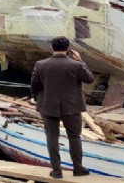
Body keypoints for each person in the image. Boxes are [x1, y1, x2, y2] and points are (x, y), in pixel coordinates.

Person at [30, 36, 94, 179]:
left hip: (48, 106)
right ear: (68, 48)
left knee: (52, 138)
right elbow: (89, 79)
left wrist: (38, 99)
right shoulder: (76, 65)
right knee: (74, 137)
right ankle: (78, 168)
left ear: (52, 48)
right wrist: (80, 61)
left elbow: (35, 85)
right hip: (72, 107)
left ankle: (57, 171)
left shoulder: (41, 64)